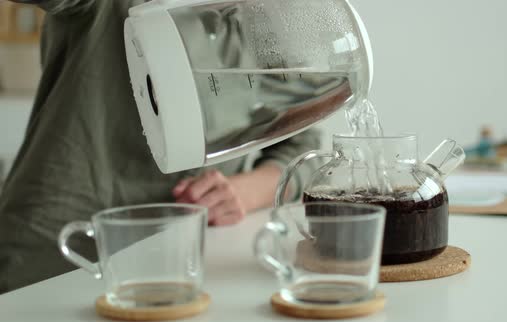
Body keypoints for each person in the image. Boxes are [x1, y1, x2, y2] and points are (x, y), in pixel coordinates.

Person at [0, 0, 321, 294]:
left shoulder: (264, 20)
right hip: (53, 262)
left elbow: (302, 140)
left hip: (182, 267)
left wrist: (244, 191)